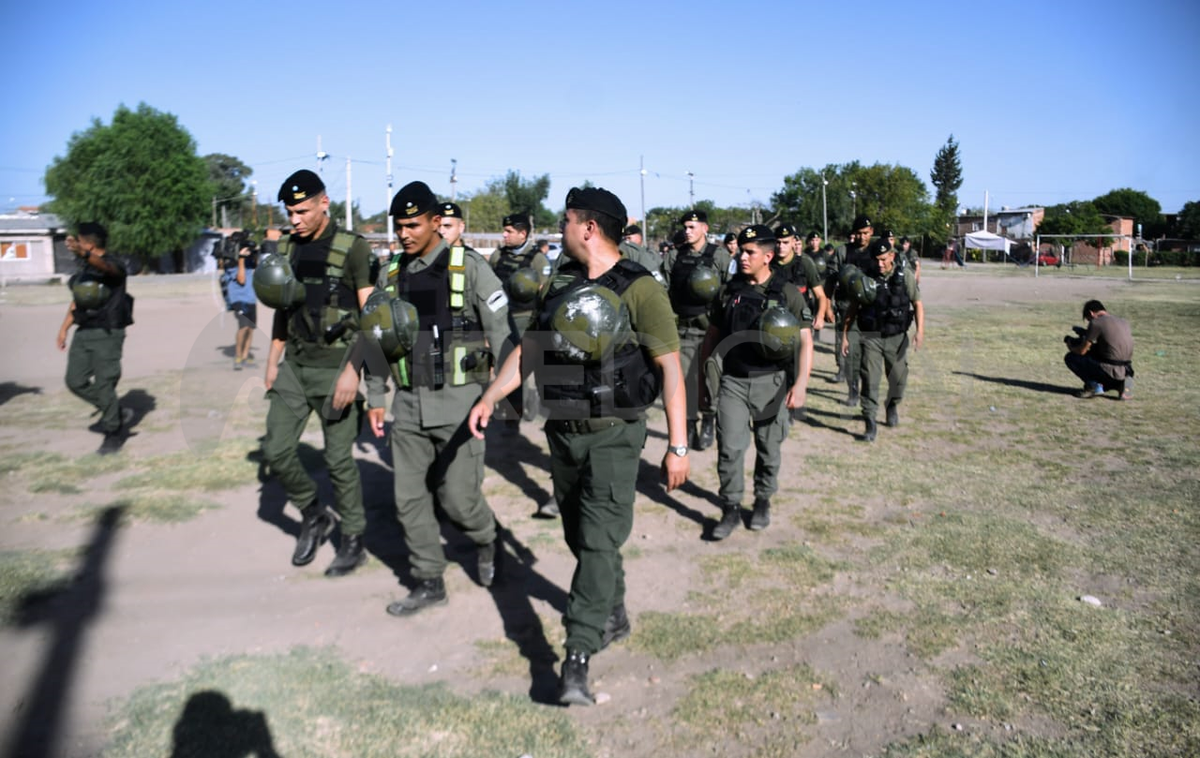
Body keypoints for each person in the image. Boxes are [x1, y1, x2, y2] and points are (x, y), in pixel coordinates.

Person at [468, 187, 689, 707]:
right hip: (562, 431)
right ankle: (612, 608)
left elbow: (670, 367)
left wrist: (677, 445)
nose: (559, 228)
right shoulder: (561, 282)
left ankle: (576, 655)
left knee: (596, 540)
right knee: (581, 536)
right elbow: (529, 350)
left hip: (615, 433)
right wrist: (491, 396)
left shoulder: (641, 290)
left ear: (588, 228)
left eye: (566, 220)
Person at [365, 181, 512, 616]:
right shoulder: (389, 274)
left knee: (458, 500)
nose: (404, 234)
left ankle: (488, 539)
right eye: (399, 226)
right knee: (409, 499)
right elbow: (375, 339)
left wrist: (500, 395)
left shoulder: (469, 268)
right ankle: (429, 579)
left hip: (460, 402)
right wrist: (376, 395)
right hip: (408, 403)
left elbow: (504, 333)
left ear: (435, 222)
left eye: (413, 225)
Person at [259, 169, 374, 577]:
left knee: (339, 459)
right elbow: (282, 308)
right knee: (276, 450)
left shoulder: (353, 249)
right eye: (290, 212)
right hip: (295, 365)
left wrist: (353, 373)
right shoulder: (286, 248)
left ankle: (354, 539)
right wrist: (273, 359)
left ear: (324, 203)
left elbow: (371, 317)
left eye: (302, 210)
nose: (295, 219)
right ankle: (313, 513)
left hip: (337, 368)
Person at [700, 225, 812, 539]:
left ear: (768, 255)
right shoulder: (729, 290)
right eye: (741, 250)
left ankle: (762, 500)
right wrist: (702, 383)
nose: (742, 256)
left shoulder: (785, 291)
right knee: (730, 449)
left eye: (750, 252)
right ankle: (730, 507)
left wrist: (800, 384)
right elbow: (711, 337)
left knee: (768, 447)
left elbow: (805, 340)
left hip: (771, 382)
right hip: (733, 382)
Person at [57, 222, 134, 455]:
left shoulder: (115, 265)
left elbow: (106, 268)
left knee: (104, 383)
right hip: (84, 331)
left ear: (88, 243)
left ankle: (114, 432)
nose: (77, 245)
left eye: (79, 241)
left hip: (107, 332)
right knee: (75, 381)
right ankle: (115, 412)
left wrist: (85, 254)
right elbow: (77, 301)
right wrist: (64, 328)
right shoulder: (84, 269)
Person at [662, 210, 732, 450]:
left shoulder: (720, 256)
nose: (687, 231)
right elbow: (664, 290)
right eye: (685, 227)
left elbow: (730, 290)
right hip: (683, 328)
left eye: (692, 226)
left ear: (705, 228)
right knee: (683, 380)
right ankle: (690, 422)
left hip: (711, 328)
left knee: (710, 377)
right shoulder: (674, 257)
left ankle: (709, 418)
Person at [841, 238, 925, 441]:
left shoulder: (904, 276)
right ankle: (869, 422)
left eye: (883, 259)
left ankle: (892, 405)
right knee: (870, 380)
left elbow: (918, 303)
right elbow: (853, 309)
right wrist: (845, 335)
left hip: (896, 337)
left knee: (898, 380)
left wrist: (920, 331)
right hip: (871, 337)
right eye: (876, 260)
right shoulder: (866, 278)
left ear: (892, 256)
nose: (880, 264)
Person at [490, 212, 551, 424]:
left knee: (524, 363)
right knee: (503, 363)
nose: (504, 235)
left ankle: (528, 401)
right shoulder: (498, 256)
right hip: (502, 318)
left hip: (526, 317)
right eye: (504, 230)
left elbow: (544, 290)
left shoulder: (537, 259)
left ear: (523, 233)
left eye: (509, 231)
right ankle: (512, 408)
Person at [827, 215, 874, 403]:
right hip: (846, 307)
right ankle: (852, 389)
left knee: (869, 355)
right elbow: (830, 279)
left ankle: (868, 390)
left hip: (870, 310)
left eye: (865, 233)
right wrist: (827, 305)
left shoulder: (876, 252)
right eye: (858, 233)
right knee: (850, 352)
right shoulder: (843, 252)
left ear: (871, 232)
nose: (862, 237)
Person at [1064, 299, 1133, 399]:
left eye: (1088, 319)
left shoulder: (1096, 323)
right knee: (1101, 356)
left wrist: (1070, 345)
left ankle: (1094, 387)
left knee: (1071, 358)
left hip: (1109, 370)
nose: (1090, 322)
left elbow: (1081, 351)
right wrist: (1085, 333)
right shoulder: (1123, 321)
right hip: (1127, 369)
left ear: (1091, 313)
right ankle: (1121, 385)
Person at [227, 239, 258, 370]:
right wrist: (240, 259)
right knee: (243, 327)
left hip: (251, 299)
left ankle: (245, 357)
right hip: (239, 300)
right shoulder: (232, 265)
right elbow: (241, 279)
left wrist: (255, 254)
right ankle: (238, 356)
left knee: (250, 329)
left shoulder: (250, 263)